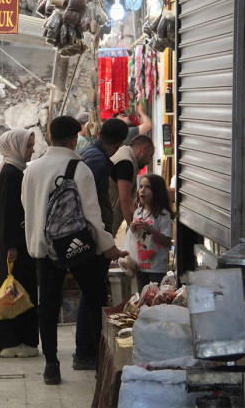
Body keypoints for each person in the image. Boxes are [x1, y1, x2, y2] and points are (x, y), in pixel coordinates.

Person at [21, 115, 127, 385]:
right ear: (73, 139)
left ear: (50, 136)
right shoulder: (79, 169)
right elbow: (92, 214)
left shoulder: (32, 168)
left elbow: (28, 207)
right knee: (95, 299)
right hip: (78, 246)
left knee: (48, 305)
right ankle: (101, 362)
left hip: (45, 248)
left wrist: (35, 242)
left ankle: (51, 365)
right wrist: (108, 246)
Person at [73, 118, 129, 370]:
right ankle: (87, 354)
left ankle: (85, 352)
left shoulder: (90, 153)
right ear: (119, 144)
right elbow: (89, 204)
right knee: (94, 297)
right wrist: (103, 241)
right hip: (92, 239)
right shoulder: (97, 161)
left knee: (91, 294)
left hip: (91, 237)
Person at [0, 129, 39, 358]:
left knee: (15, 290)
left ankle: (13, 339)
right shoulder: (12, 173)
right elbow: (11, 213)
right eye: (29, 146)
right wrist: (12, 245)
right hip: (16, 245)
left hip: (17, 243)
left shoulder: (13, 170)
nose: (32, 150)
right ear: (16, 147)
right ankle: (12, 340)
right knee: (15, 291)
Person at [119, 174, 174, 290]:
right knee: (143, 298)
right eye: (141, 187)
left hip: (157, 267)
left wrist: (150, 229)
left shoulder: (163, 214)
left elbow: (167, 241)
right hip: (140, 266)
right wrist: (133, 229)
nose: (142, 190)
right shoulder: (138, 212)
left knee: (156, 299)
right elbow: (135, 237)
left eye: (147, 187)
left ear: (156, 191)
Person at [109, 134, 155, 236]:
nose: (148, 161)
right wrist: (135, 228)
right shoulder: (126, 163)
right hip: (105, 224)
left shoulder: (122, 154)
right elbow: (124, 200)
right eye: (150, 156)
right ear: (143, 149)